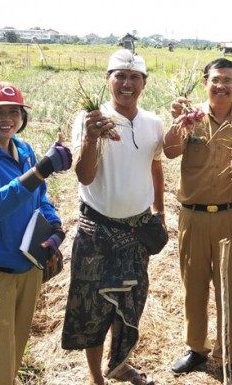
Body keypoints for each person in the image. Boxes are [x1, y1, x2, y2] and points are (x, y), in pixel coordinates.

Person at [62, 50, 165, 385]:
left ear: (144, 84)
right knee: (95, 308)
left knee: (131, 302)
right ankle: (96, 377)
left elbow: (156, 164)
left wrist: (159, 210)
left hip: (136, 230)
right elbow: (85, 176)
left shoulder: (152, 123)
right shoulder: (90, 120)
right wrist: (92, 137)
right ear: (108, 80)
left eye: (135, 77)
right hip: (98, 230)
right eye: (119, 75)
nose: (127, 83)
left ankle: (119, 364)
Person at [164, 58, 232, 385]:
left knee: (229, 288)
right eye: (215, 80)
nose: (221, 86)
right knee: (193, 285)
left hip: (231, 215)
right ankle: (197, 348)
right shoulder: (191, 119)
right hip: (192, 216)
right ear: (205, 82)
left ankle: (228, 356)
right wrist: (179, 122)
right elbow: (171, 152)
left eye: (227, 81)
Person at [0, 81, 72, 383]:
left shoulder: (23, 149)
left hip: (28, 270)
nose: (6, 118)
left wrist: (55, 228)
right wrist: (40, 170)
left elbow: (41, 198)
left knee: (13, 350)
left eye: (14, 111)